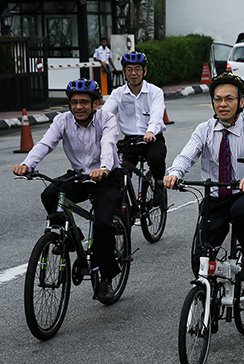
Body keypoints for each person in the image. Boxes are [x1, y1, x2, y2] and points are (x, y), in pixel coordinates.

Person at [12, 79, 122, 300]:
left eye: (83, 102)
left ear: (97, 103)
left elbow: (108, 145)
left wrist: (102, 168)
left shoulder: (107, 119)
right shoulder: (63, 120)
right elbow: (45, 143)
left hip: (107, 176)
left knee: (102, 224)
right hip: (79, 175)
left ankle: (106, 278)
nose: (78, 107)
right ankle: (73, 237)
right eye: (73, 102)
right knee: (50, 194)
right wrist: (27, 164)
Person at [163, 73, 244, 281]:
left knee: (242, 212)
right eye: (218, 99)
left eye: (229, 99)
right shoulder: (204, 130)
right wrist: (175, 173)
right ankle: (210, 299)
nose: (222, 104)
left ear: (241, 102)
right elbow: (187, 155)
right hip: (214, 198)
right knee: (200, 261)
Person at [102, 51, 167, 203]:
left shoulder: (155, 92)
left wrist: (151, 131)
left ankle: (158, 187)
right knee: (117, 168)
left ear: (145, 71)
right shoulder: (118, 93)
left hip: (152, 138)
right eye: (129, 69)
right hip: (130, 140)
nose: (133, 73)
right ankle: (123, 202)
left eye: (137, 69)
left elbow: (157, 115)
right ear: (124, 72)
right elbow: (104, 115)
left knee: (155, 157)